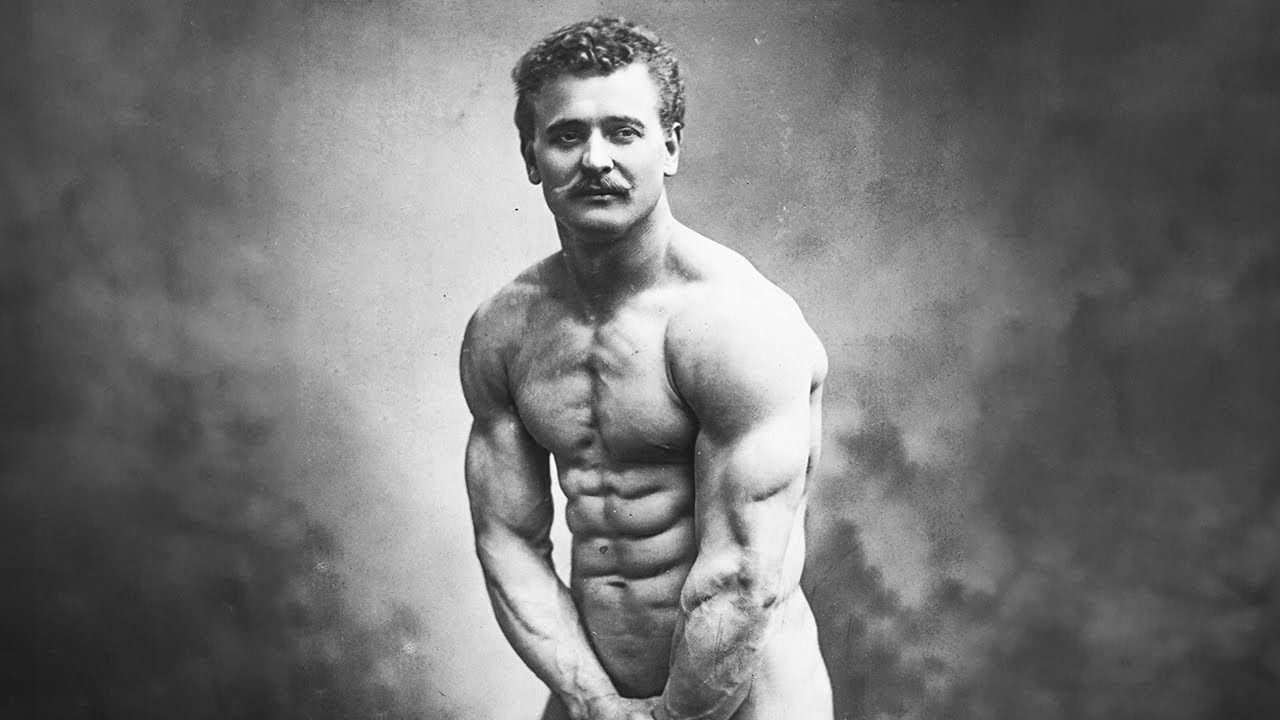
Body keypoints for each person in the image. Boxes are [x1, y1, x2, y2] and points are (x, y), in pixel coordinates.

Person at [460, 17, 831, 720]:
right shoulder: (505, 329)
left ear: (670, 147)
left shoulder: (735, 324)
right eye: (567, 135)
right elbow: (507, 540)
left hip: (745, 697)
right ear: (532, 156)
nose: (595, 159)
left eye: (623, 132)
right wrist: (593, 700)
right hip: (593, 696)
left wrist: (666, 719)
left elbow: (744, 577)